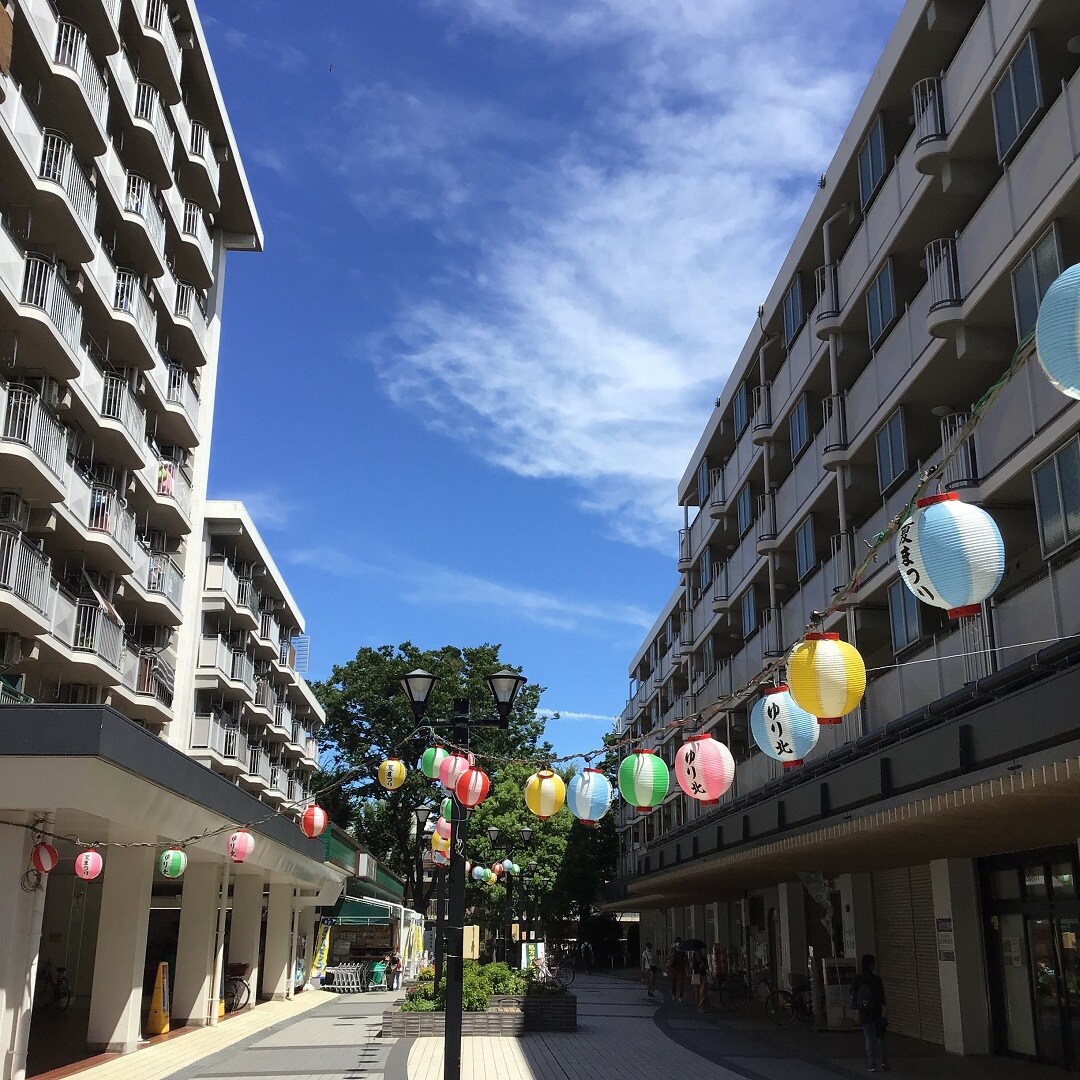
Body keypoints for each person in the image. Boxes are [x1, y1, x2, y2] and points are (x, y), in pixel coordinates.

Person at [849, 953, 888, 1072]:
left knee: (869, 1038)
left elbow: (852, 992)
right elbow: (882, 996)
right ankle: (884, 1062)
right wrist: (884, 1010)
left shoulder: (857, 979)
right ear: (871, 965)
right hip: (876, 1010)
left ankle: (872, 1064)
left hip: (864, 1011)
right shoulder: (876, 979)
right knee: (880, 1037)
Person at [668, 938, 687, 1003]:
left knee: (681, 983)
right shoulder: (673, 950)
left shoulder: (683, 951)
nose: (678, 944)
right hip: (674, 968)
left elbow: (685, 959)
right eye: (677, 942)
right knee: (674, 982)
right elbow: (669, 957)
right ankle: (674, 994)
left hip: (681, 968)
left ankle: (680, 996)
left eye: (679, 942)